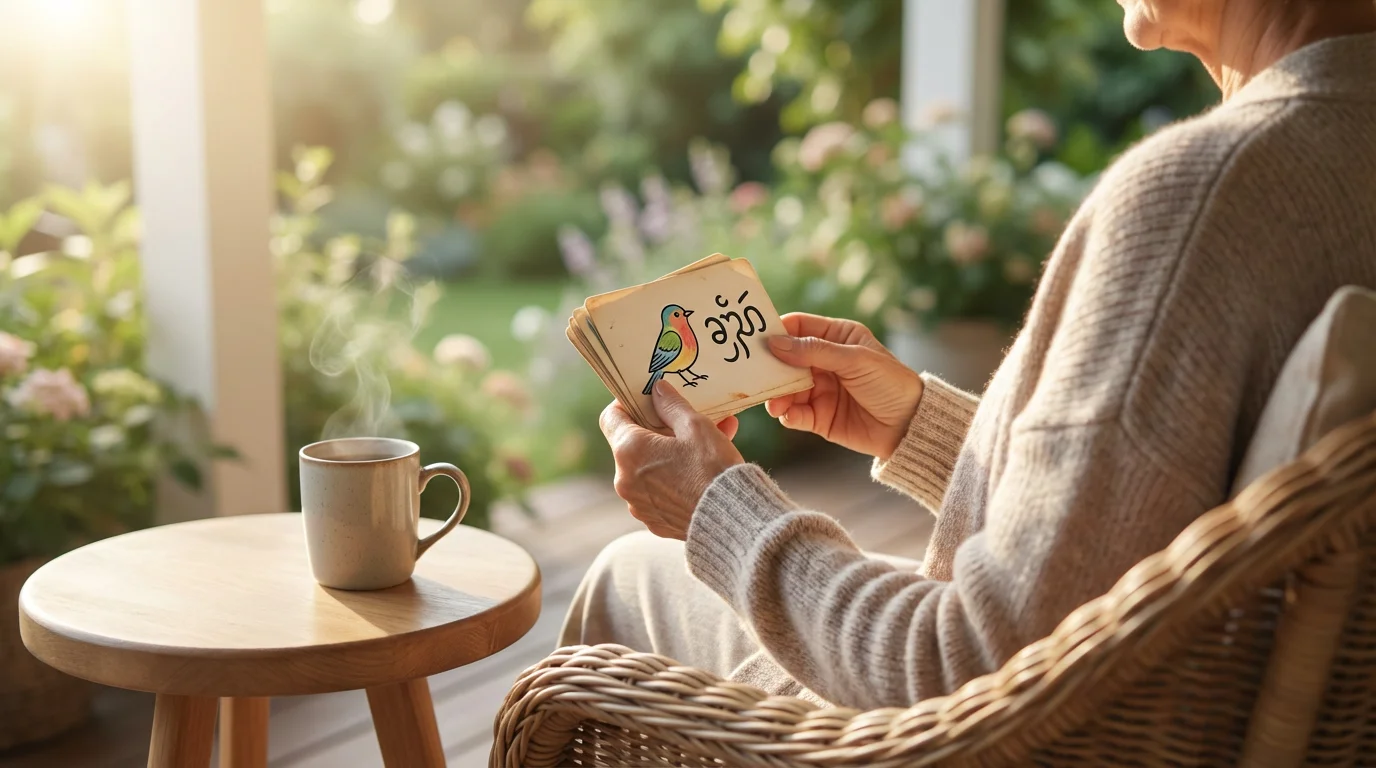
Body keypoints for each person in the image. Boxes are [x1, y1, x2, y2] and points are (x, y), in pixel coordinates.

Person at [561, 1, 1376, 709]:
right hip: (1194, 707)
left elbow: (977, 666)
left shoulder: (1202, 195)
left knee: (628, 576)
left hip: (961, 735)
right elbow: (1129, 523)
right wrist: (921, 427)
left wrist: (716, 511)